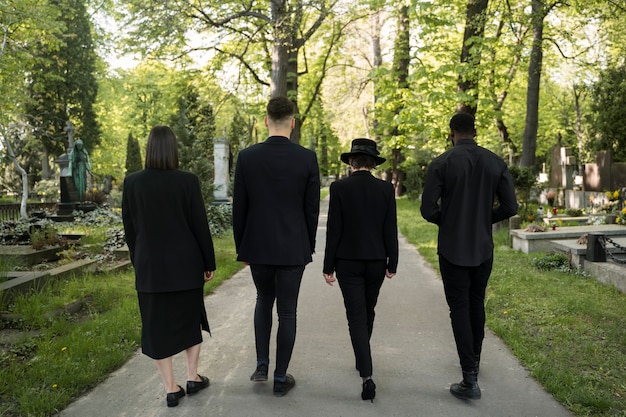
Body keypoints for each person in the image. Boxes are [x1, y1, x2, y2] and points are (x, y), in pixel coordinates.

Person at [420, 112, 518, 400]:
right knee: (476, 302)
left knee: (459, 308)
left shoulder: (442, 163)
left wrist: (449, 220)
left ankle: (469, 377)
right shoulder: (494, 162)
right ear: (475, 131)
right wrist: (484, 218)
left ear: (451, 132)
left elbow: (427, 210)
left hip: (452, 248)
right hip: (482, 247)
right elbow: (510, 206)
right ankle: (474, 361)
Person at [122, 125, 216, 407]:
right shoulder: (187, 181)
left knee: (156, 326)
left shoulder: (132, 183)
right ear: (173, 149)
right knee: (190, 320)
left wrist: (138, 260)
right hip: (186, 266)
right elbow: (200, 225)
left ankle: (171, 388)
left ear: (149, 149)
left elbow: (130, 229)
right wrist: (208, 262)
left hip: (150, 268)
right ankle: (192, 377)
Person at [232, 96, 320, 397]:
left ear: (266, 120)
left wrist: (241, 247)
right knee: (288, 311)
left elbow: (239, 208)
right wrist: (308, 245)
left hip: (258, 246)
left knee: (263, 298)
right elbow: (312, 209)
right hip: (293, 247)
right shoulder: (307, 158)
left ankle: (261, 365)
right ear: (292, 122)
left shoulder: (247, 157)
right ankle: (280, 377)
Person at [322, 138, 398, 403]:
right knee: (368, 310)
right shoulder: (385, 189)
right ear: (373, 164)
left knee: (356, 314)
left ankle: (366, 373)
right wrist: (393, 262)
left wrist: (327, 266)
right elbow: (390, 228)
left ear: (352, 162)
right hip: (376, 261)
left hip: (348, 262)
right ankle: (362, 356)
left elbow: (334, 229)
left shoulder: (340, 188)